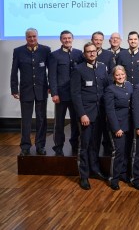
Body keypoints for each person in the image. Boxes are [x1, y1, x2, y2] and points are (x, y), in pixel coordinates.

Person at [71, 42, 109, 190]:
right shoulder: (78, 69)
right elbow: (75, 94)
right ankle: (84, 176)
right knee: (84, 146)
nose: (92, 54)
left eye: (94, 51)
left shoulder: (102, 68)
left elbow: (105, 90)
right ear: (84, 54)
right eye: (89, 52)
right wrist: (82, 114)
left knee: (95, 144)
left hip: (100, 114)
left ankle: (95, 170)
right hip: (86, 115)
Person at [10, 28, 51, 156]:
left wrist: (50, 86)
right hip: (25, 91)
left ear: (37, 37)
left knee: (41, 119)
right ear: (26, 38)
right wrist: (14, 89)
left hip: (41, 90)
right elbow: (14, 71)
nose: (32, 39)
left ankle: (40, 146)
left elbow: (51, 70)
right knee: (26, 120)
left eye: (34, 36)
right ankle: (25, 147)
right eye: (29, 37)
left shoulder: (45, 50)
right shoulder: (18, 51)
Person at [48, 30, 84, 156]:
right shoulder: (54, 55)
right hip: (61, 95)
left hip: (75, 95)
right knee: (59, 123)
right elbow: (52, 76)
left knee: (75, 122)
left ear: (72, 39)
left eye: (69, 38)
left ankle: (75, 144)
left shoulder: (79, 54)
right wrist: (54, 93)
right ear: (61, 40)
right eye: (64, 38)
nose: (67, 40)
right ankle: (58, 146)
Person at [104, 65, 133, 190]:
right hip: (118, 126)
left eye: (122, 74)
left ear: (125, 74)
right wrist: (116, 128)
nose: (120, 77)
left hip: (129, 125)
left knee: (127, 151)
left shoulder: (129, 86)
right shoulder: (110, 90)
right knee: (118, 153)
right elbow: (110, 111)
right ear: (113, 77)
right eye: (117, 75)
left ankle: (123, 174)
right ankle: (113, 178)